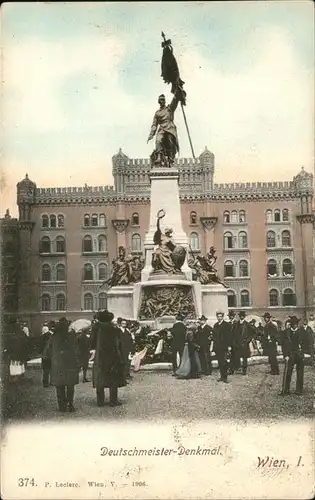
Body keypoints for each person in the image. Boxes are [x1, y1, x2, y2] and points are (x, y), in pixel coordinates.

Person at [91, 310, 126, 407]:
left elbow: (92, 343)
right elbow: (119, 344)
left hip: (100, 357)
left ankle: (100, 401)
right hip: (113, 356)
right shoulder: (114, 329)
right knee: (113, 379)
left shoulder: (96, 329)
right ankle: (113, 401)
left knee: (100, 379)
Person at [43, 317, 79, 412]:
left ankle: (62, 406)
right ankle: (70, 405)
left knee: (60, 386)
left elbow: (47, 353)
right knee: (70, 386)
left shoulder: (53, 337)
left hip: (58, 365)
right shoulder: (71, 337)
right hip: (70, 364)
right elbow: (76, 351)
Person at [280, 316, 311, 396]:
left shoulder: (302, 332)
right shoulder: (286, 332)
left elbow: (308, 342)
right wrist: (285, 355)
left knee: (300, 373)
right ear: (291, 324)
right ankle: (286, 390)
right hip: (290, 355)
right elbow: (283, 345)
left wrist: (305, 352)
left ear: (297, 324)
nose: (295, 325)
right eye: (293, 324)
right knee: (288, 372)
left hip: (300, 354)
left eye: (296, 324)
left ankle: (299, 390)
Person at [147, 91, 180, 164]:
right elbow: (154, 124)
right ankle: (159, 157)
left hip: (170, 128)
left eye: (164, 100)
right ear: (159, 101)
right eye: (161, 100)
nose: (163, 101)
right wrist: (151, 134)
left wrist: (177, 92)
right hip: (162, 128)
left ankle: (171, 157)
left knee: (170, 140)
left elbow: (174, 101)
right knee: (158, 140)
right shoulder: (157, 113)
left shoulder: (169, 108)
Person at [212, 311, 232, 383]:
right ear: (216, 317)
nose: (219, 318)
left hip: (224, 346)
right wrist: (213, 348)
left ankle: (225, 377)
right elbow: (214, 337)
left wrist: (229, 345)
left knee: (224, 362)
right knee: (220, 362)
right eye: (218, 316)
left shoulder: (227, 325)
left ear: (222, 317)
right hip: (217, 346)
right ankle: (221, 377)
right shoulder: (215, 325)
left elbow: (229, 336)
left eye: (220, 316)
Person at [235, 311, 254, 375]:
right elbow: (234, 333)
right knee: (236, 356)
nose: (241, 317)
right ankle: (237, 368)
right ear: (239, 316)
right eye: (240, 315)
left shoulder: (247, 324)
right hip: (238, 343)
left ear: (244, 316)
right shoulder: (237, 324)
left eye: (243, 316)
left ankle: (244, 371)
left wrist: (248, 340)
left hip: (245, 344)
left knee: (244, 358)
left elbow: (253, 332)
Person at [41, 323, 53, 387]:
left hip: (45, 355)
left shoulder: (42, 338)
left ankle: (45, 382)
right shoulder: (51, 336)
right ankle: (51, 381)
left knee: (46, 370)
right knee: (51, 369)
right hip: (50, 355)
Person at [227, 310, 239, 374]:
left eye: (232, 316)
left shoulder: (237, 323)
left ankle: (234, 368)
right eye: (230, 316)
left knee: (235, 356)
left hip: (235, 342)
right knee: (231, 356)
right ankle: (231, 369)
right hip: (229, 342)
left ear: (234, 316)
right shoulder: (227, 324)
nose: (231, 317)